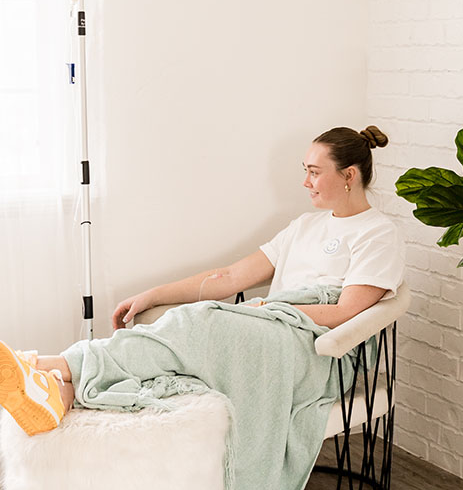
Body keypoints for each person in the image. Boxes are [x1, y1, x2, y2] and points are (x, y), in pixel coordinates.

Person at [0, 125, 405, 438]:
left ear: (349, 174)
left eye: (314, 173)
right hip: (270, 335)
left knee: (199, 322)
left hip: (317, 356)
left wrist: (274, 309)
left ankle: (47, 365)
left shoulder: (377, 233)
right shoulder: (304, 226)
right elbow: (229, 278)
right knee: (185, 332)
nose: (305, 182)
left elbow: (348, 311)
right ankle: (61, 392)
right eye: (306, 171)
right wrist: (151, 295)